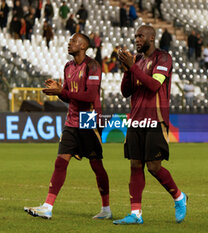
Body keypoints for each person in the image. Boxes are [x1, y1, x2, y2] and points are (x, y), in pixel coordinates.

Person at [24, 33, 112, 220]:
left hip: (90, 119)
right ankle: (47, 207)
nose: (69, 43)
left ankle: (106, 209)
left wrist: (62, 91)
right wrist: (58, 92)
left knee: (96, 165)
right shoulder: (68, 67)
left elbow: (89, 96)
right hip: (72, 119)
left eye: (73, 41)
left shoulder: (93, 66)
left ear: (83, 46)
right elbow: (68, 96)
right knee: (60, 161)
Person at [113, 25, 187, 225]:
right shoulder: (137, 60)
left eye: (140, 36)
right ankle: (136, 214)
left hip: (155, 120)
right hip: (136, 120)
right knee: (135, 165)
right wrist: (129, 69)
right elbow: (125, 91)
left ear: (152, 37)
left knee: (154, 166)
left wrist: (134, 67)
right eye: (135, 35)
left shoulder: (164, 58)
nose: (136, 39)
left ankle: (179, 197)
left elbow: (154, 85)